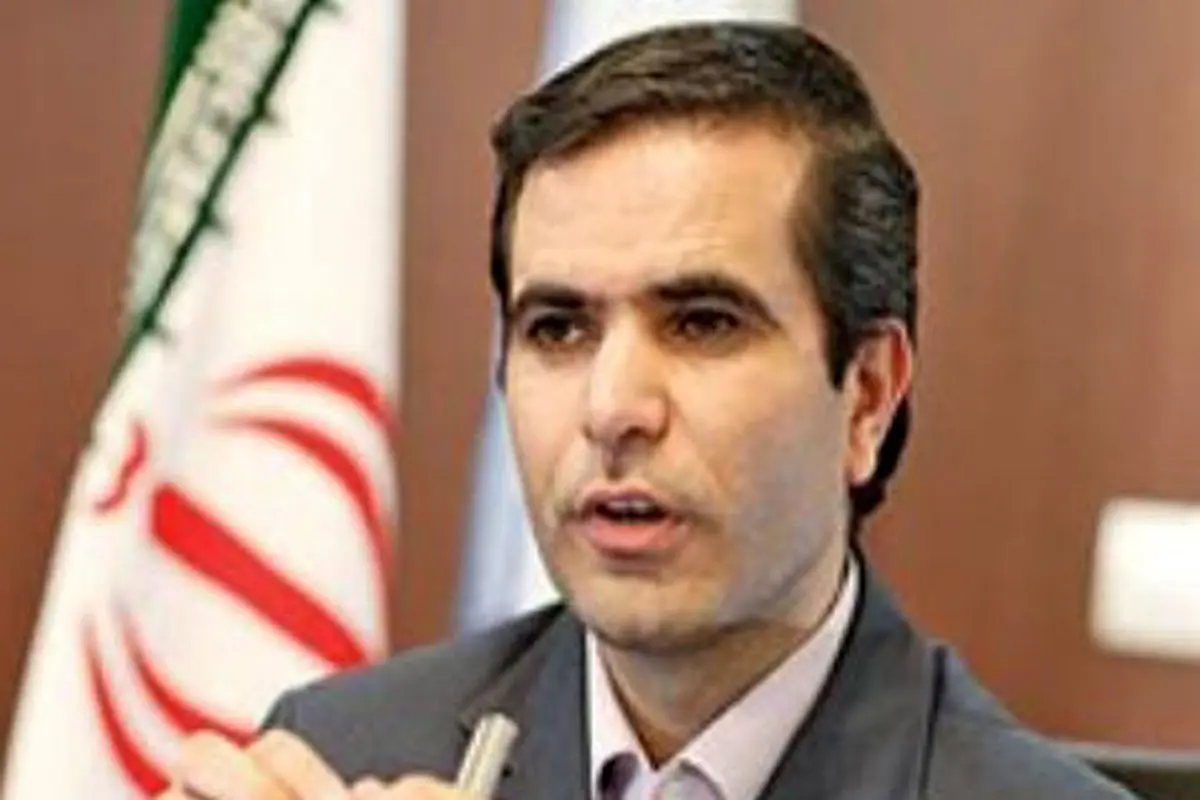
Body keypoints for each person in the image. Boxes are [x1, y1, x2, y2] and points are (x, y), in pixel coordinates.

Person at [159, 21, 1134, 800]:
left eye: (704, 322)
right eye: (557, 328)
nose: (612, 407)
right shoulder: (338, 750)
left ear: (867, 395)